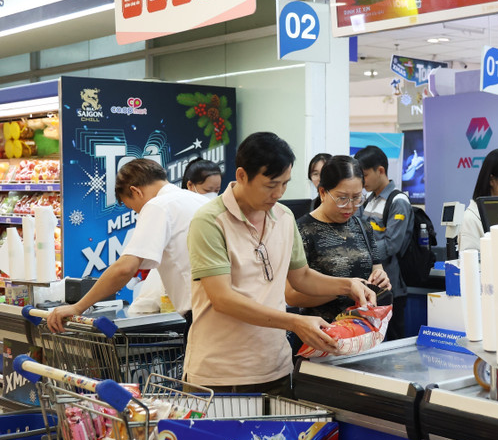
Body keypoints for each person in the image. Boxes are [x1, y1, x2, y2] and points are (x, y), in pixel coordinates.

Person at [184, 132, 375, 396]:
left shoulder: (283, 217)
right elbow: (223, 298)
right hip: (221, 374)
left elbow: (302, 277)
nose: (279, 193)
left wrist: (349, 285)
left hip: (276, 367)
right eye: (270, 184)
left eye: (285, 183)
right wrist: (294, 322)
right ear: (241, 176)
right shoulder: (209, 221)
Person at [46, 159, 209, 332]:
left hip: (202, 316)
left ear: (136, 191)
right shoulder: (200, 201)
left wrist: (77, 307)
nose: (138, 213)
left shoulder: (158, 206)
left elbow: (125, 268)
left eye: (134, 209)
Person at [287, 155, 391, 323]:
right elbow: (292, 296)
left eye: (357, 197)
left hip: (364, 330)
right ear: (322, 192)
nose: (350, 206)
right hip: (323, 335)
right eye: (342, 198)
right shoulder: (301, 230)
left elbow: (375, 270)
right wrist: (346, 289)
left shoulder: (362, 227)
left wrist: (380, 278)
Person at [355, 145, 413, 340]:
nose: (362, 182)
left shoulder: (398, 201)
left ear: (380, 170)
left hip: (391, 288)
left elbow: (391, 245)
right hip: (371, 285)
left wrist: (360, 253)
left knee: (393, 341)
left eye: (365, 175)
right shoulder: (368, 200)